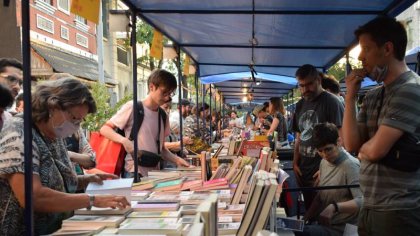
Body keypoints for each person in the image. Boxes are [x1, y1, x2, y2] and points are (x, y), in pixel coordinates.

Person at [0, 78, 129, 235]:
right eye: (74, 118)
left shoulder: (53, 133)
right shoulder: (19, 132)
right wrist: (92, 200)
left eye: (80, 120)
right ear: (53, 106)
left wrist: (87, 180)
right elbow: (32, 195)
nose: (76, 125)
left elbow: (57, 182)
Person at [343, 16, 420, 235]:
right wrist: (350, 97)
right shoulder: (374, 95)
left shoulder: (411, 90)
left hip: (399, 211)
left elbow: (375, 150)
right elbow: (351, 144)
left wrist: (365, 149)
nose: (360, 57)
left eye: (366, 48)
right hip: (370, 204)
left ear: (387, 48)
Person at [100, 69, 190, 177]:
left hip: (154, 173)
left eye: (170, 93)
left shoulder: (163, 115)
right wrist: (123, 140)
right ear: (152, 87)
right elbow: (104, 129)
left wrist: (177, 160)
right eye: (164, 92)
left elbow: (161, 149)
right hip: (134, 172)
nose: (167, 98)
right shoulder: (133, 107)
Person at [292, 64, 344, 210]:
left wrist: (327, 169)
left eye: (308, 84)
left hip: (323, 171)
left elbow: (341, 140)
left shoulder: (332, 102)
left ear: (318, 80)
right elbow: (299, 135)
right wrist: (295, 162)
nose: (304, 90)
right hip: (303, 169)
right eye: (301, 86)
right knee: (309, 209)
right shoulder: (300, 104)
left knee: (324, 212)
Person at [297, 123, 362, 236]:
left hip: (342, 229)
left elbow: (362, 201)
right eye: (320, 151)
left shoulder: (350, 165)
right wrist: (304, 219)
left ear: (338, 142)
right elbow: (320, 197)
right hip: (323, 224)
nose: (324, 155)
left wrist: (335, 207)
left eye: (328, 149)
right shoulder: (324, 162)